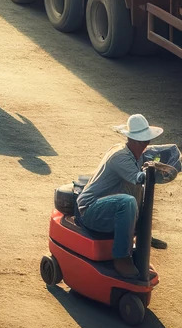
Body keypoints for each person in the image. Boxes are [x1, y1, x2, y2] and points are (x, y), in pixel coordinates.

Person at [75, 114, 179, 277]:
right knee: (128, 201)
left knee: (138, 195)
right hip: (90, 210)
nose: (148, 144)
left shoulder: (137, 154)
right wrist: (165, 171)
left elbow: (160, 153)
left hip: (109, 205)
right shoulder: (120, 156)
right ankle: (122, 258)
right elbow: (140, 178)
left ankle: (140, 243)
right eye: (145, 141)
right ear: (136, 141)